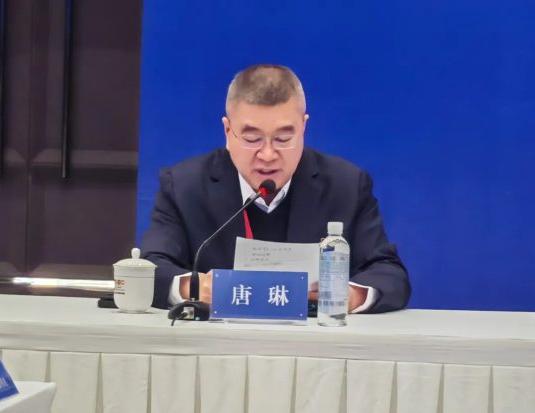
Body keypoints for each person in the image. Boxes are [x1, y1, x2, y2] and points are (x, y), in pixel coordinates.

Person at [141, 64, 411, 313]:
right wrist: (194, 287)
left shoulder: (345, 186)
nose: (268, 155)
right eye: (252, 139)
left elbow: (389, 273)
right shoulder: (185, 186)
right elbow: (149, 269)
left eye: (283, 138)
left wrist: (349, 295)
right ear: (228, 131)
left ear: (303, 127)